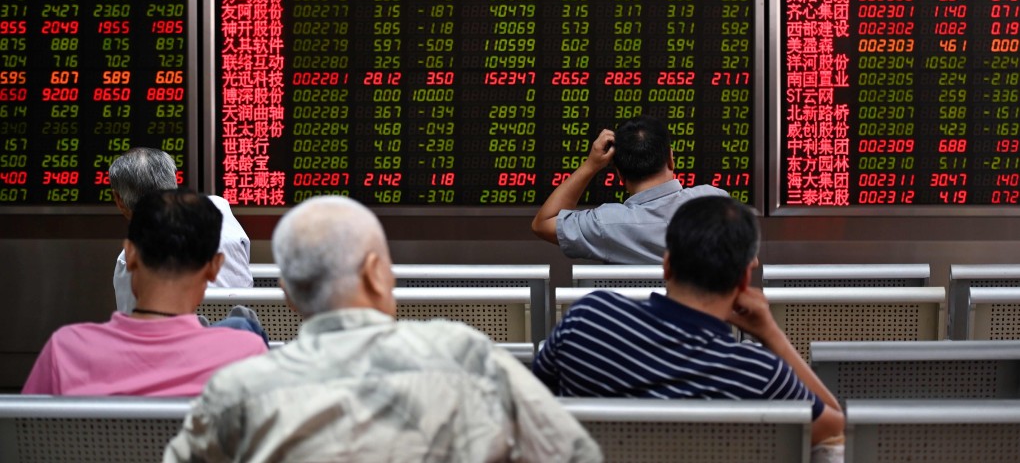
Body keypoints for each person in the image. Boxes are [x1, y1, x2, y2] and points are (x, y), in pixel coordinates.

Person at [165, 196, 602, 463]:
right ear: (376, 273)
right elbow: (573, 454)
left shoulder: (236, 391)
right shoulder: (466, 356)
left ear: (289, 294)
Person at [533, 195, 845, 449]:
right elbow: (834, 428)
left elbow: (534, 406)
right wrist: (771, 334)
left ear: (667, 265)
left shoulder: (587, 320)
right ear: (744, 279)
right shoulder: (760, 373)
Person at [23, 189, 267, 396]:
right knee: (242, 324)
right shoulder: (246, 354)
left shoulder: (65, 350)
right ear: (214, 267)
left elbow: (25, 439)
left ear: (129, 255)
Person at [532, 115, 728, 263]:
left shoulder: (605, 224)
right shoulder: (717, 203)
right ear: (671, 158)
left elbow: (543, 222)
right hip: (703, 318)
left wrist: (591, 165)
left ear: (619, 175)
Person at [109, 147, 252, 312]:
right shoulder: (220, 212)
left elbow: (133, 327)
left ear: (119, 200)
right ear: (174, 182)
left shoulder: (129, 260)